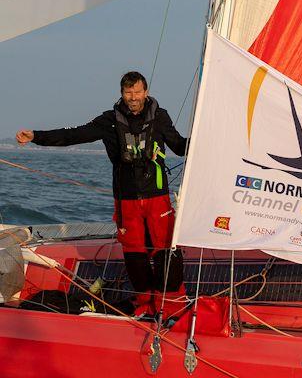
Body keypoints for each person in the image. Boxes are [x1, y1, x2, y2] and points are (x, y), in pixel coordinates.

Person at [16, 71, 187, 312]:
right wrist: (36, 136)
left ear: (146, 92)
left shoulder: (160, 117)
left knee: (165, 248)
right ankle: (146, 303)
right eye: (128, 93)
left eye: (137, 92)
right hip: (126, 200)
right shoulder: (110, 120)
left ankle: (171, 303)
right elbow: (74, 134)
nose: (133, 97)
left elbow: (179, 146)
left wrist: (202, 141)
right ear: (122, 94)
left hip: (157, 196)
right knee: (134, 253)